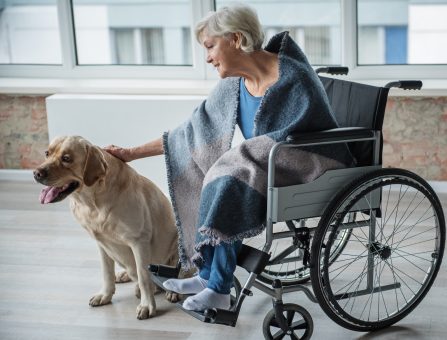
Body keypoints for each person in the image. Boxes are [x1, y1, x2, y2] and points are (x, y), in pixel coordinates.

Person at [105, 3, 354, 312]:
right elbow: (191, 131)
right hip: (272, 164)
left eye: (210, 46)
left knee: (232, 176)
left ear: (236, 40)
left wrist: (243, 158)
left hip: (315, 163)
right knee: (221, 173)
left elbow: (305, 140)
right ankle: (208, 275)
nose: (208, 57)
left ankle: (219, 288)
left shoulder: (294, 79)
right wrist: (131, 154)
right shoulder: (234, 83)